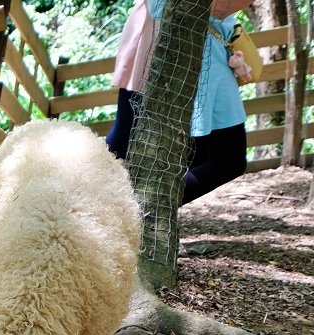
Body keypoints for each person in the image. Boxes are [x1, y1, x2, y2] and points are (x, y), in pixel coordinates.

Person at [106, 0, 254, 205]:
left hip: (179, 36)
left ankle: (136, 211)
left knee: (205, 156)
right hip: (185, 41)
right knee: (224, 160)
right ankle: (136, 209)